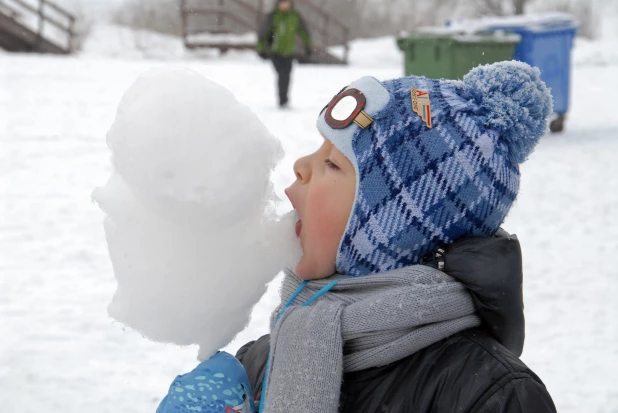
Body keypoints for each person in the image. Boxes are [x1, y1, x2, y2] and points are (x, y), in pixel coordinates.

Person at [235, 61, 558, 412]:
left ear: (394, 231)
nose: (301, 164)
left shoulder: (491, 398)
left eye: (333, 164)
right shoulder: (261, 364)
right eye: (320, 148)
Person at [257, 0, 312, 108]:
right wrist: (261, 49)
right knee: (282, 74)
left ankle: (284, 99)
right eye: (282, 2)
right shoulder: (273, 16)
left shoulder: (295, 17)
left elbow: (304, 32)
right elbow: (263, 33)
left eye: (286, 2)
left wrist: (308, 46)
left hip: (289, 52)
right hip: (275, 52)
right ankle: (282, 99)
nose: (284, 5)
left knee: (286, 75)